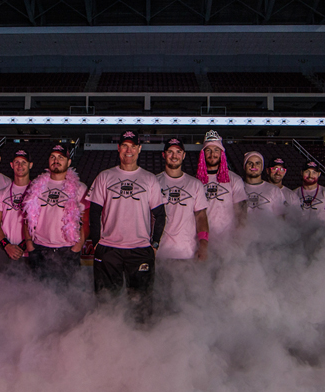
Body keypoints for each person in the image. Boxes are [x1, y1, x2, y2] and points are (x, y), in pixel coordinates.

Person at [87, 130, 166, 322]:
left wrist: (155, 243)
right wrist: (96, 242)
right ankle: (106, 337)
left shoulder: (149, 179)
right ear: (118, 148)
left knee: (142, 305)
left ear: (139, 148)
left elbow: (160, 215)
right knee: (106, 303)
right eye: (124, 146)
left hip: (140, 249)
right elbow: (94, 212)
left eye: (132, 146)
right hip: (109, 249)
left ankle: (142, 337)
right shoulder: (105, 176)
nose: (128, 150)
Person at [21, 144, 89, 278]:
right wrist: (30, 245)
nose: (56, 160)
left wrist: (78, 246)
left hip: (67, 250)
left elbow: (86, 221)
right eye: (52, 157)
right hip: (39, 248)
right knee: (38, 289)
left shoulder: (80, 188)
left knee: (68, 290)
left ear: (69, 162)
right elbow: (26, 219)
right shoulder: (36, 186)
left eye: (60, 157)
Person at [155, 137, 209, 261]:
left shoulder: (195, 184)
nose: (174, 156)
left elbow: (201, 216)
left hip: (187, 253)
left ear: (184, 155)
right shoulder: (154, 182)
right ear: (164, 155)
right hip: (159, 253)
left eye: (178, 152)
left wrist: (203, 245)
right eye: (170, 152)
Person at [195, 130, 246, 235]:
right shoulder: (195, 181)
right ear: (203, 153)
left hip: (227, 238)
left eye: (216, 150)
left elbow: (241, 213)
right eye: (208, 150)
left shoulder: (234, 179)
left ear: (221, 153)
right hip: (202, 237)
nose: (212, 154)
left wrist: (239, 236)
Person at [0, 149, 33, 273]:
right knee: (0, 285)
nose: (20, 166)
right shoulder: (2, 193)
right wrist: (7, 246)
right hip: (6, 249)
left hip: (29, 250)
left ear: (30, 165)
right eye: (17, 162)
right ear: (11, 165)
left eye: (24, 162)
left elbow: (40, 224)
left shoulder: (37, 193)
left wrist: (22, 246)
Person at [242, 151, 285, 217]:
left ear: (262, 167)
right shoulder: (237, 187)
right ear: (244, 166)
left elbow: (281, 217)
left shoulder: (274, 190)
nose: (254, 166)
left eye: (257, 163)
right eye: (250, 163)